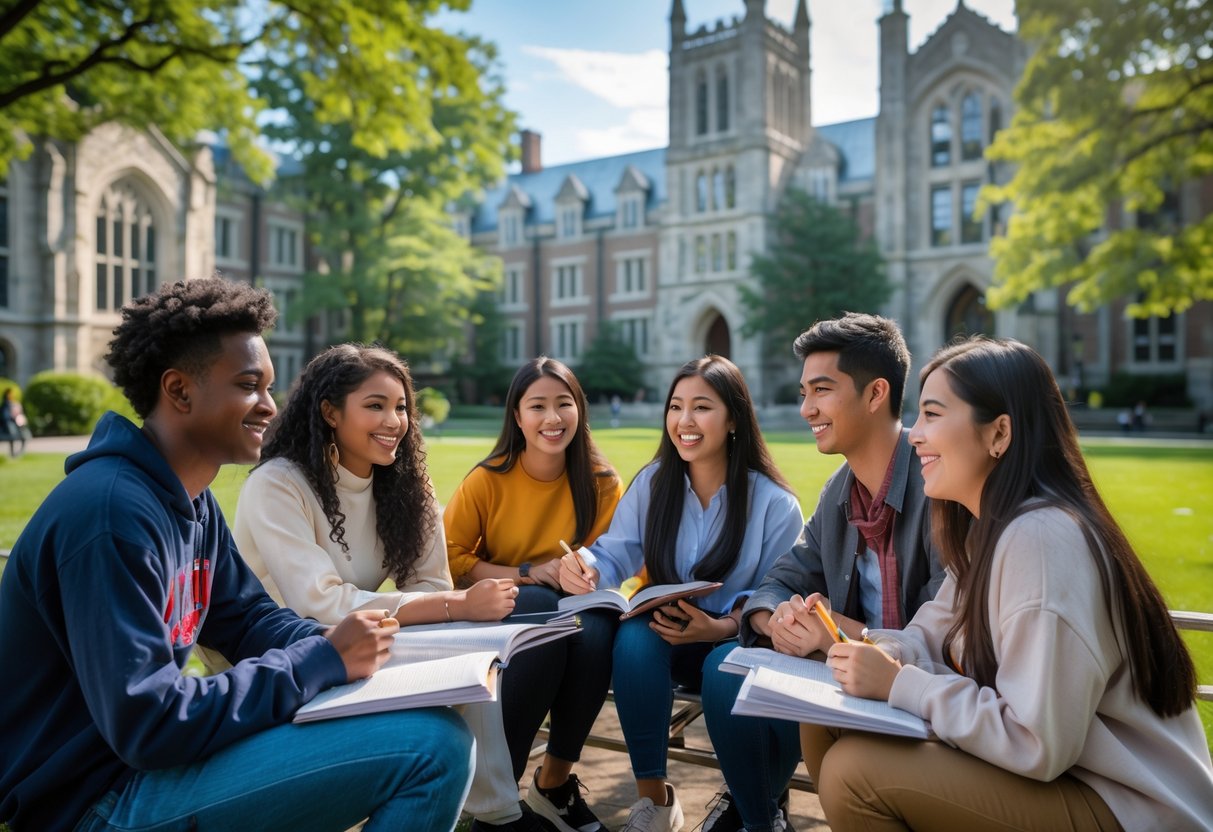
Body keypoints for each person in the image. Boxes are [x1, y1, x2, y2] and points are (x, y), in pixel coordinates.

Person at [0, 278, 472, 832]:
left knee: (425, 720)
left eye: (269, 387)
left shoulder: (191, 501)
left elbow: (246, 617)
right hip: (92, 801)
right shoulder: (111, 516)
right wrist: (319, 661)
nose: (270, 407)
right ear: (179, 391)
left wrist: (331, 643)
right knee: (432, 748)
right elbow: (149, 723)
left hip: (146, 770)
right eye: (249, 386)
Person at [803, 337, 1213, 831]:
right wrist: (875, 652)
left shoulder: (1041, 540)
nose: (915, 435)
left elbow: (1035, 742)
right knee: (826, 716)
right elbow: (927, 635)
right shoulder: (989, 531)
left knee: (854, 774)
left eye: (932, 415)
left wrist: (900, 683)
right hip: (1062, 779)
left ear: (999, 433)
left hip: (1129, 805)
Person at [230, 343, 533, 830]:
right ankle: (499, 816)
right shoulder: (279, 483)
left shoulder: (407, 483)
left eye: (401, 407)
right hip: (281, 652)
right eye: (375, 405)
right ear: (330, 412)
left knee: (469, 651)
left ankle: (498, 812)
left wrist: (448, 608)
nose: (394, 421)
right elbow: (319, 602)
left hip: (358, 637)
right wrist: (452, 606)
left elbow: (431, 582)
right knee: (455, 637)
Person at [698, 313, 945, 832]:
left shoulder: (939, 487)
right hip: (850, 684)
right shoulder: (840, 490)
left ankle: (761, 810)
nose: (806, 408)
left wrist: (836, 632)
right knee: (725, 666)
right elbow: (780, 579)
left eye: (822, 390)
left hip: (923, 690)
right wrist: (777, 620)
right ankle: (760, 819)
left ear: (876, 393)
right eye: (804, 391)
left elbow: (948, 633)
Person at [559, 355, 804, 832]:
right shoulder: (654, 483)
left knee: (724, 665)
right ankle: (654, 804)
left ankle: (752, 808)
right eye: (676, 406)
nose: (684, 421)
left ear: (733, 419)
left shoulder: (775, 504)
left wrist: (720, 626)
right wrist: (585, 568)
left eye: (702, 407)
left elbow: (776, 593)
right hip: (669, 635)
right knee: (633, 640)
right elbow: (614, 553)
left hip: (738, 640)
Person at [444, 356, 624, 832]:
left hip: (574, 609)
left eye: (564, 403)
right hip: (500, 605)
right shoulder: (488, 479)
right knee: (544, 611)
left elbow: (615, 559)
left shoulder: (603, 483)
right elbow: (451, 558)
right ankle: (496, 798)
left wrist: (587, 573)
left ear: (580, 410)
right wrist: (526, 573)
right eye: (537, 406)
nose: (552, 417)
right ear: (518, 416)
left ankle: (554, 785)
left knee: (596, 628)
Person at [1, 387, 29, 457]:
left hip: (17, 423)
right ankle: (13, 453)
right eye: (10, 394)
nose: (11, 395)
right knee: (12, 437)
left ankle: (16, 453)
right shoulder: (6, 405)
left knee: (23, 436)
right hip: (9, 424)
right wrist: (13, 417)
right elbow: (5, 416)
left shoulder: (14, 403)